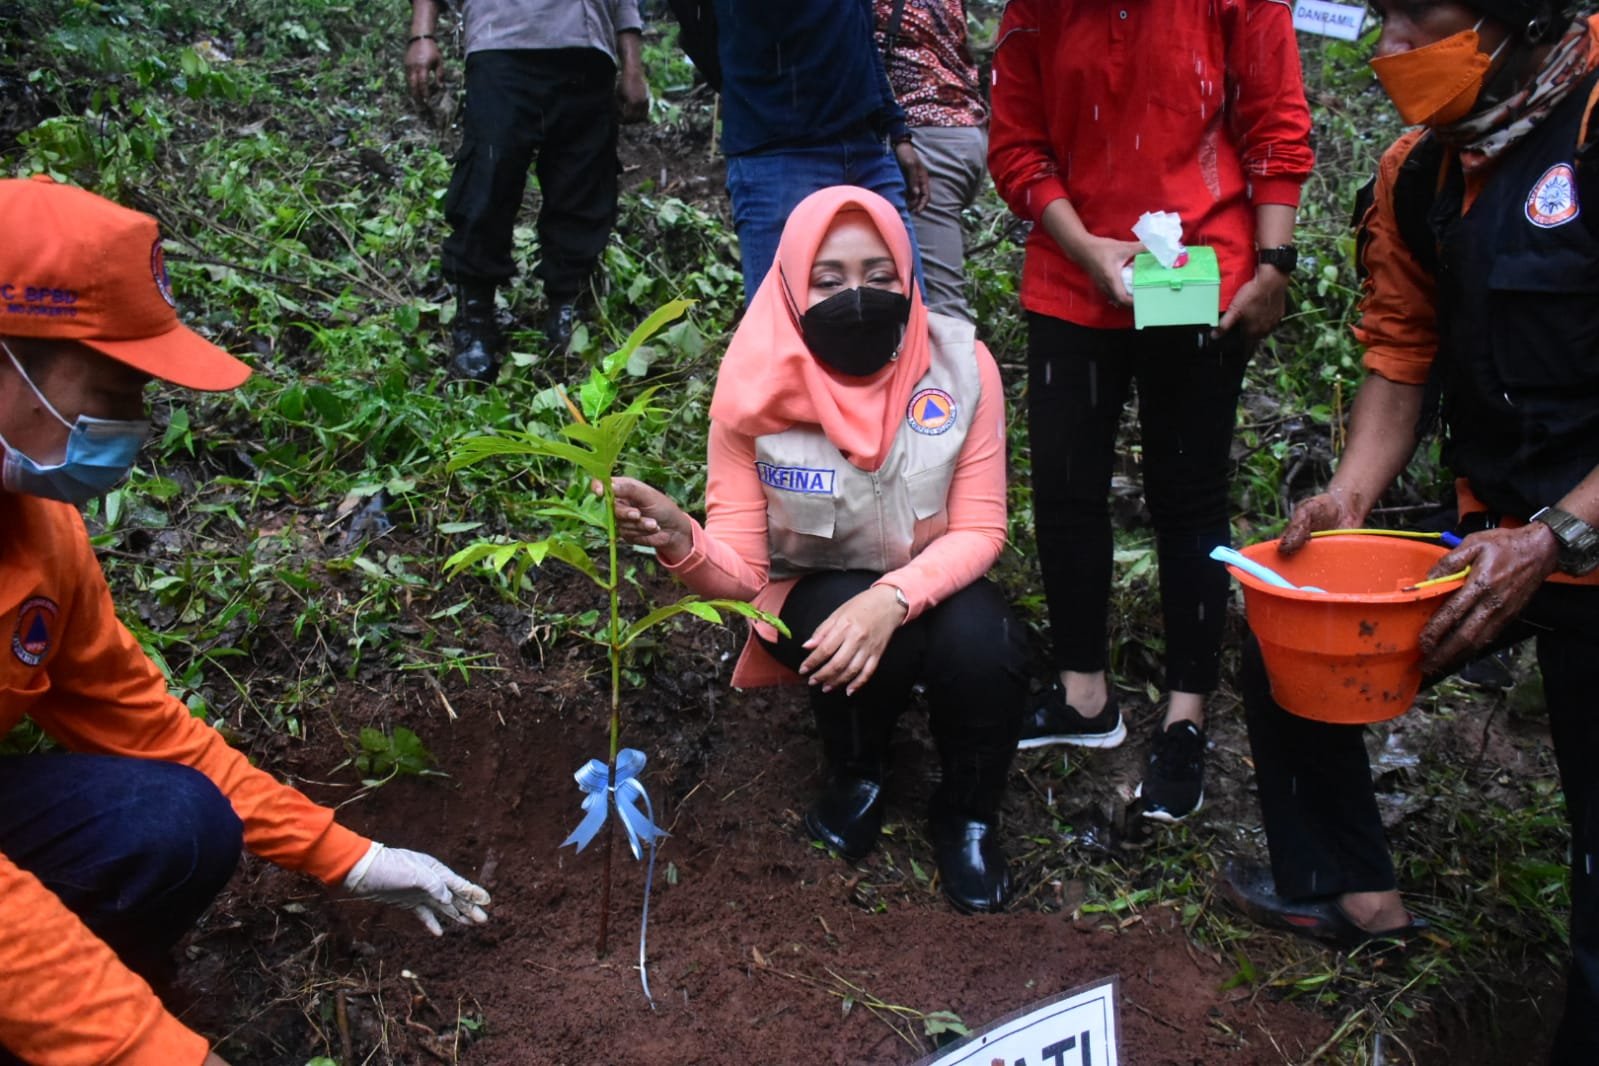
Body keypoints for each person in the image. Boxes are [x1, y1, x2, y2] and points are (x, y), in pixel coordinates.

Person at [0, 175, 491, 1065]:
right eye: (112, 385)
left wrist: (350, 857)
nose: (131, 424)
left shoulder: (42, 532)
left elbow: (146, 731)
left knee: (170, 820)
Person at [1219, 3, 1599, 1059]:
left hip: (1574, 535)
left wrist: (1557, 538)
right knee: (1283, 619)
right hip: (1493, 530)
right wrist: (1347, 499)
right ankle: (1350, 891)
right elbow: (1400, 351)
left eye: (1418, 18)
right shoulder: (1419, 170)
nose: (1387, 50)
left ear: (1524, 18)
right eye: (1380, 16)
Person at [607, 186, 1025, 913]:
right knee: (841, 617)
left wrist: (892, 597)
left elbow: (981, 528)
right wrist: (680, 538)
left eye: (879, 275)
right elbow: (743, 574)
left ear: (907, 278)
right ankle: (858, 773)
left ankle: (969, 813)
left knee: (989, 642)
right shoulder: (752, 394)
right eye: (828, 281)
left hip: (930, 579)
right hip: (815, 590)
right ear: (791, 287)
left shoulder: (963, 368)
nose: (856, 296)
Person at [987, 0, 1314, 821]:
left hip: (1198, 274)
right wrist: (1083, 246)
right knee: (1064, 487)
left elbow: (1274, 123)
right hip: (1071, 275)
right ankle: (1083, 694)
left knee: (1188, 494)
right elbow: (1017, 145)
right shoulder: (1037, 9)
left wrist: (1273, 265)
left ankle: (1185, 715)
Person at [404, 0, 650, 382]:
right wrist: (422, 35)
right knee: (488, 177)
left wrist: (632, 64)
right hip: (502, 37)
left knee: (582, 181)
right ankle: (475, 316)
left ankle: (569, 310)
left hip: (587, 45)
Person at [666, 2, 931, 302]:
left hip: (867, 148)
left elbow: (863, 36)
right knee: (783, 316)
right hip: (777, 150)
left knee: (907, 313)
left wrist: (897, 132)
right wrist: (759, 89)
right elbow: (695, 25)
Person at [873, 0, 988, 322]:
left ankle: (956, 356)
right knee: (904, 291)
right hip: (962, 129)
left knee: (940, 306)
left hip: (926, 139)